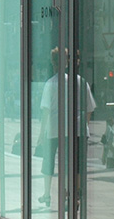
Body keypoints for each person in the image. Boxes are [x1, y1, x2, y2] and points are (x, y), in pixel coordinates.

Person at [38, 48, 96, 206]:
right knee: (76, 164)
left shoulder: (51, 83)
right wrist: (84, 126)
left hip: (55, 128)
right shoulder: (81, 82)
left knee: (49, 161)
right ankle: (75, 194)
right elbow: (89, 108)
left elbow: (45, 111)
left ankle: (47, 194)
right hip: (77, 128)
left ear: (53, 63)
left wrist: (41, 133)